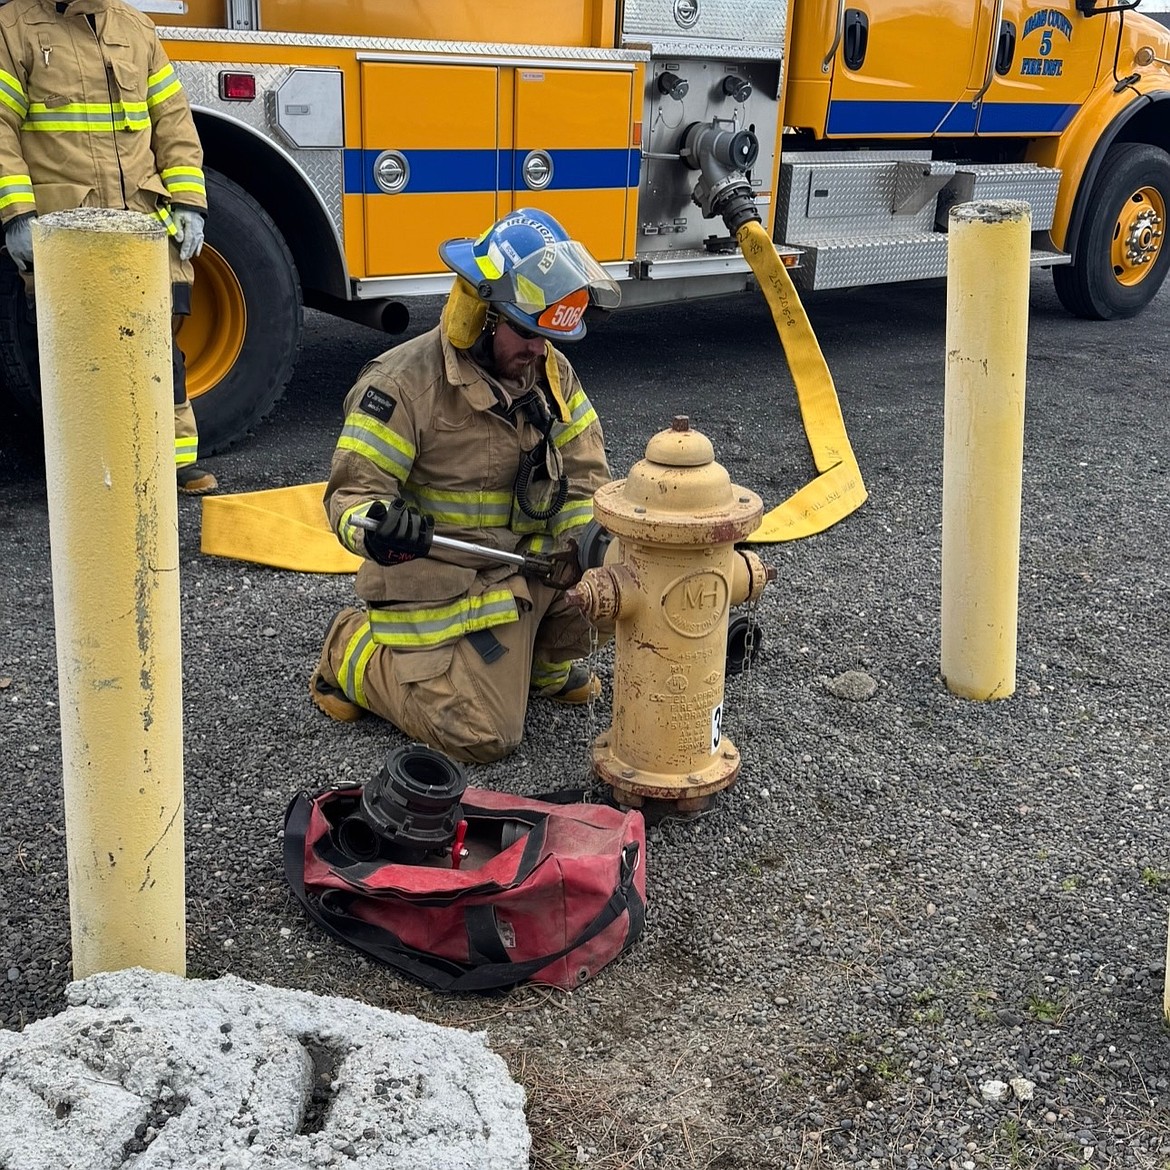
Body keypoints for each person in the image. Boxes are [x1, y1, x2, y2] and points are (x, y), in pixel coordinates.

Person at [310, 207, 621, 764]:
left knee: (616, 583)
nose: (540, 350)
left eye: (547, 335)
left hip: (523, 567)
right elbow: (351, 496)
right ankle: (350, 649)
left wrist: (598, 549)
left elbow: (586, 481)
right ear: (480, 315)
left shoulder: (549, 371)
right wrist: (379, 529)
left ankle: (537, 669)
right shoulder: (402, 384)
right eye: (527, 332)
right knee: (484, 736)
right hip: (447, 583)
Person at [0, 0, 215, 495]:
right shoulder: (13, 28)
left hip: (141, 225)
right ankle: (89, 479)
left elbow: (173, 122)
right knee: (75, 358)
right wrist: (17, 214)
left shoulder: (136, 28)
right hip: (68, 231)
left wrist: (189, 202)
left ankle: (172, 461)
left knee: (157, 349)